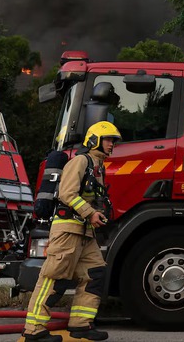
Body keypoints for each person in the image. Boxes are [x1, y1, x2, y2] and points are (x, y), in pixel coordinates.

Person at [22, 121, 120, 342]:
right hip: (68, 230)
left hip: (85, 232)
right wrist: (90, 213)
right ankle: (34, 330)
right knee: (54, 277)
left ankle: (81, 324)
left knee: (95, 273)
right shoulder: (80, 161)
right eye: (108, 139)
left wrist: (98, 213)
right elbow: (67, 194)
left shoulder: (98, 167)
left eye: (113, 141)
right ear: (94, 140)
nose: (112, 144)